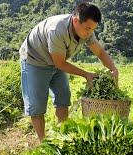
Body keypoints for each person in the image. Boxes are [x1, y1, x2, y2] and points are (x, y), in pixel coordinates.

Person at [19, 2, 118, 141]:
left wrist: (113, 69)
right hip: (35, 60)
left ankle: (61, 135)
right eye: (88, 28)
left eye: (93, 29)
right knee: (37, 107)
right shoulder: (57, 29)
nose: (90, 33)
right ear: (76, 20)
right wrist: (86, 74)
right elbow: (60, 63)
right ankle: (43, 142)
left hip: (58, 60)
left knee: (63, 99)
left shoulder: (87, 31)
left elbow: (100, 52)